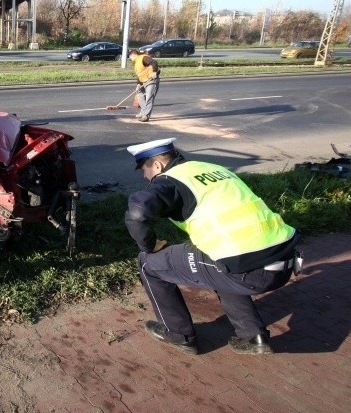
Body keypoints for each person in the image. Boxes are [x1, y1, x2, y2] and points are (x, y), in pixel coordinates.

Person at [124, 137, 301, 355]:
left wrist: (149, 245)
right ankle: (252, 337)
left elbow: (137, 212)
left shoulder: (169, 180)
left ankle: (178, 334)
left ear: (158, 165)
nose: (144, 176)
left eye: (144, 169)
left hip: (247, 268)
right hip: (283, 259)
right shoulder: (211, 169)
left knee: (148, 263)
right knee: (218, 263)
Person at [128, 49, 159, 122]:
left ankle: (146, 116)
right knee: (139, 94)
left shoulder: (143, 58)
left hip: (151, 81)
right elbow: (140, 74)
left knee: (149, 98)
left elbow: (154, 62)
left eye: (130, 56)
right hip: (143, 82)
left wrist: (154, 72)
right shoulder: (136, 63)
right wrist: (138, 84)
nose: (130, 58)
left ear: (133, 55)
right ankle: (143, 112)